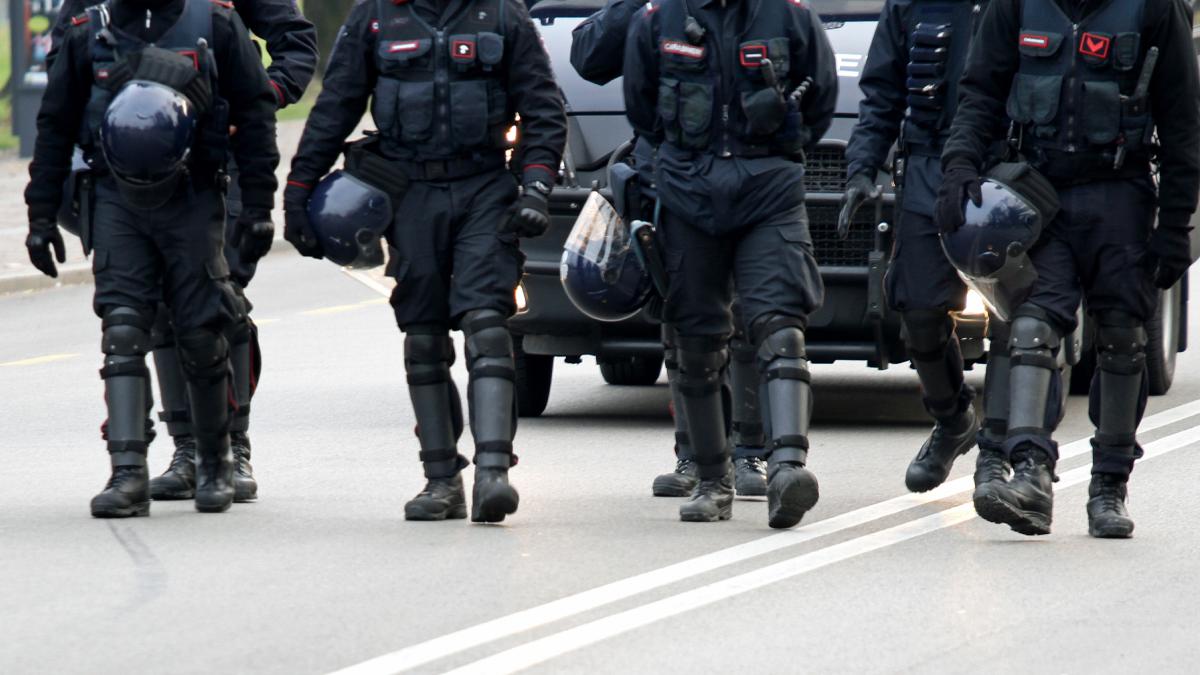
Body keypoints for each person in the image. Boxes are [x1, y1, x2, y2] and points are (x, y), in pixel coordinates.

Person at [285, 0, 567, 523]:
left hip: (485, 185)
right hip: (409, 190)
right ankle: (441, 481)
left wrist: (536, 187)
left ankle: (493, 473)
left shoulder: (502, 15)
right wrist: (299, 188)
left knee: (486, 322)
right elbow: (338, 104)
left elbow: (543, 108)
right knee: (423, 335)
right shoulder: (374, 17)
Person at [938, 0, 1200, 537]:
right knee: (1032, 327)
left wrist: (1175, 225)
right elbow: (980, 92)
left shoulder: (1152, 9)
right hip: (1039, 195)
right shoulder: (1016, 4)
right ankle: (1031, 473)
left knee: (1123, 339)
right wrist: (959, 168)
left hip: (1119, 194)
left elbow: (1183, 121)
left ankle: (1109, 485)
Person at [49, 0, 318, 504]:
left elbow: (296, 45)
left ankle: (231, 445)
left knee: (218, 301)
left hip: (217, 160)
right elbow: (65, 56)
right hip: (133, 165)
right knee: (150, 310)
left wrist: (253, 99)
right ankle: (187, 448)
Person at [624, 0, 838, 526]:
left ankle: (788, 468)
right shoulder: (658, 19)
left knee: (779, 326)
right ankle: (713, 481)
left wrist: (779, 134)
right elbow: (642, 107)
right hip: (687, 194)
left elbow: (822, 99)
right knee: (694, 340)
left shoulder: (791, 18)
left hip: (768, 192)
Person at [570, 0, 769, 499]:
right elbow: (588, 57)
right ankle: (697, 455)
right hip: (671, 180)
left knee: (748, 316)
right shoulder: (656, 11)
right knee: (682, 322)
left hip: (747, 177)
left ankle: (752, 454)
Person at [841, 0, 1011, 495]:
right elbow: (882, 93)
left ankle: (996, 458)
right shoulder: (910, 5)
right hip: (927, 171)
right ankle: (954, 418)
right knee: (917, 309)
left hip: (1004, 168)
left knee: (1013, 324)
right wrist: (862, 167)